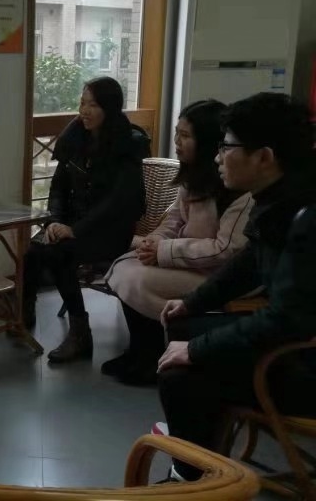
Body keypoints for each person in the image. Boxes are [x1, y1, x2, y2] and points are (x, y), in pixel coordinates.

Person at [155, 93, 316, 482]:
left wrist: (196, 349)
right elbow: (248, 264)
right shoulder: (280, 197)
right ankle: (201, 448)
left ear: (264, 156)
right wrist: (192, 302)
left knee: (180, 375)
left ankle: (193, 480)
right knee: (181, 325)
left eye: (226, 147)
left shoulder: (306, 216)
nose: (217, 158)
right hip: (290, 340)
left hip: (304, 363)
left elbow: (286, 320)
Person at [103, 100, 253, 386]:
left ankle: (151, 356)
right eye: (176, 133)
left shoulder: (239, 191)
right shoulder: (193, 177)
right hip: (191, 263)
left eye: (185, 135)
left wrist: (164, 251)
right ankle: (140, 350)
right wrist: (154, 242)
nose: (177, 142)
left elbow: (226, 250)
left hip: (220, 274)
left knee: (137, 278)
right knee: (127, 266)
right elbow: (173, 220)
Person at [22, 76, 149, 363]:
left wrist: (74, 229)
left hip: (110, 231)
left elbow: (117, 202)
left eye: (93, 105)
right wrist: (54, 221)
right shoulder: (75, 137)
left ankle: (80, 333)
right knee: (33, 251)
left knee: (59, 254)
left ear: (109, 108)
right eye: (82, 103)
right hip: (73, 224)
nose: (84, 111)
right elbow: (58, 187)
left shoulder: (129, 144)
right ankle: (24, 315)